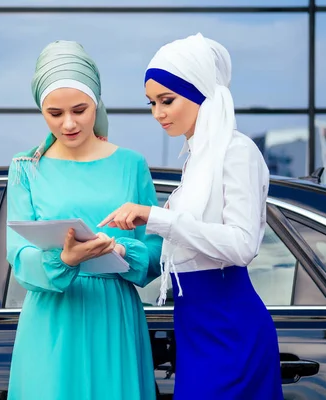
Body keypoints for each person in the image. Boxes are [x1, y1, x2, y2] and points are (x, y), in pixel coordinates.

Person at [98, 33, 284, 399]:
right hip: (194, 328)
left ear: (200, 92)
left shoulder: (236, 151)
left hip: (230, 329)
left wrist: (157, 217)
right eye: (151, 102)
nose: (158, 113)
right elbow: (184, 248)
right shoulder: (196, 161)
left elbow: (242, 245)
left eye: (167, 100)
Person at [5, 40, 163, 400]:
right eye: (54, 113)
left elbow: (157, 249)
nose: (69, 123)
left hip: (114, 315)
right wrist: (63, 260)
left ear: (97, 102)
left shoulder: (131, 164)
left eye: (80, 109)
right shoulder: (26, 168)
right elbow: (17, 254)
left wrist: (125, 250)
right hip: (52, 317)